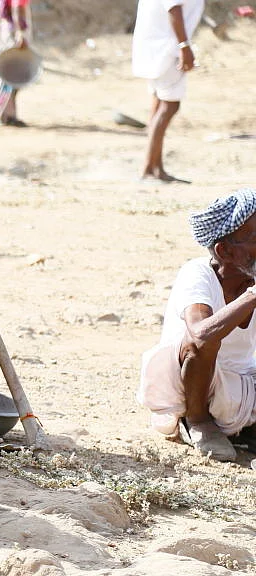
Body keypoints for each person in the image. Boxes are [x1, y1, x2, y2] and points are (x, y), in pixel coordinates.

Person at [138, 189, 256, 462]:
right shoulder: (198, 273)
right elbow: (201, 335)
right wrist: (252, 296)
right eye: (254, 238)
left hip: (238, 389)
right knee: (199, 342)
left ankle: (241, 432)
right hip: (189, 385)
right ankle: (198, 422)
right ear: (224, 251)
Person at [131, 0, 204, 183]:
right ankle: (149, 168)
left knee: (158, 105)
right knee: (169, 106)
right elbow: (174, 8)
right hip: (166, 49)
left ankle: (155, 167)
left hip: (157, 48)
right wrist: (184, 46)